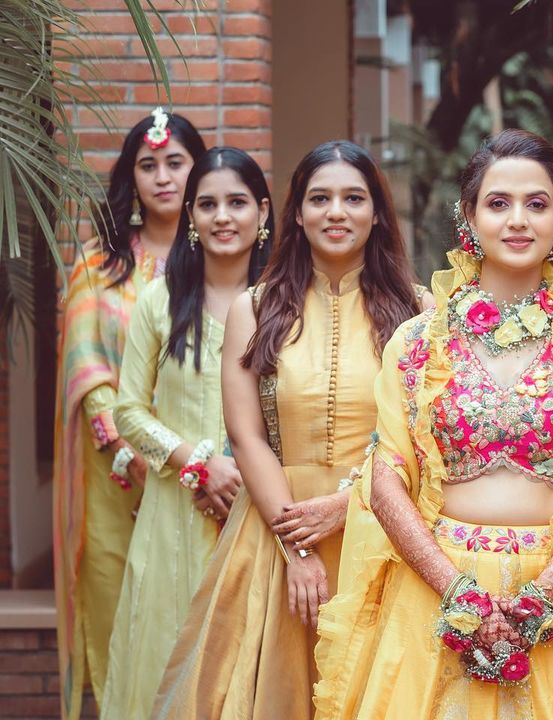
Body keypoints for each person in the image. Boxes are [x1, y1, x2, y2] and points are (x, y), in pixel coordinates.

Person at [313, 129, 553, 719]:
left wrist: (542, 596)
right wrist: (457, 591)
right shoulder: (415, 344)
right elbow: (386, 480)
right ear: (469, 218)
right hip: (433, 588)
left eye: (537, 204)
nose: (518, 220)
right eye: (498, 203)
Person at [153, 141, 424, 719]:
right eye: (319, 198)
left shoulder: (420, 312)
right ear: (295, 213)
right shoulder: (254, 309)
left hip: (385, 529)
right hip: (279, 530)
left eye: (354, 198)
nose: (336, 212)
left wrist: (347, 507)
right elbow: (247, 436)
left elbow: (423, 440)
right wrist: (295, 547)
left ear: (377, 212)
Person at [99, 147, 273, 718]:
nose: (223, 217)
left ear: (264, 212)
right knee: (167, 657)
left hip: (262, 511)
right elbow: (129, 411)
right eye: (209, 205)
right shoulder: (162, 300)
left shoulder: (284, 305)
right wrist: (197, 461)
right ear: (192, 219)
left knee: (247, 664)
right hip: (175, 514)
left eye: (237, 203)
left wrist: (251, 476)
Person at [53, 107, 206, 720]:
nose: (164, 177)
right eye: (149, 165)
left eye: (176, 163)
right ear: (131, 178)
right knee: (123, 602)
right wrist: (131, 452)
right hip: (117, 467)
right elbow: (88, 369)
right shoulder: (101, 265)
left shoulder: (225, 260)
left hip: (209, 469)